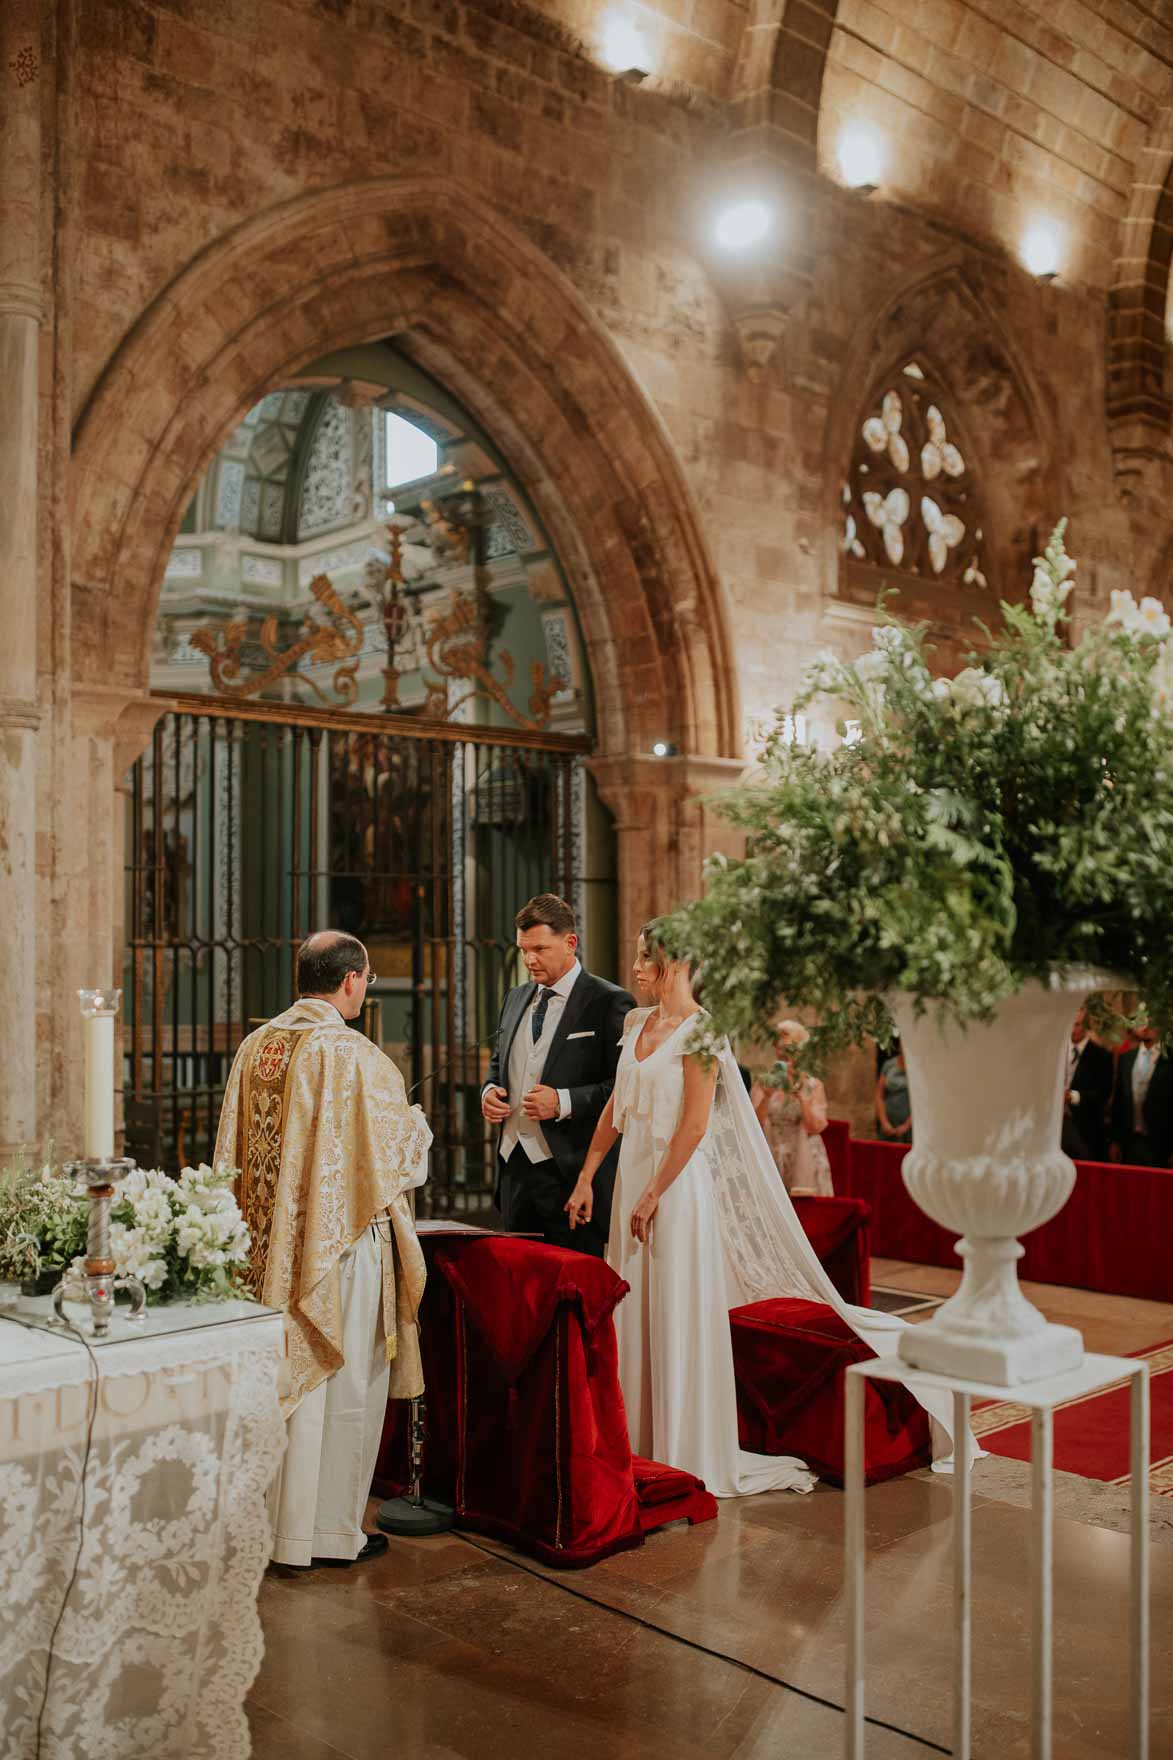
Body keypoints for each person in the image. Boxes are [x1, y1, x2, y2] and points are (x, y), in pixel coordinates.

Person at [562, 927, 969, 1498]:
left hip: (676, 1191)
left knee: (672, 1304)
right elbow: (614, 1106)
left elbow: (696, 1125)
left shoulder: (702, 1034)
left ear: (674, 962)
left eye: (643, 956)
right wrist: (587, 1176)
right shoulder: (637, 1025)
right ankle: (637, 1443)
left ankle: (683, 1446)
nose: (633, 967)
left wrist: (655, 1191)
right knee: (633, 1303)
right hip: (632, 1178)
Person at [213, 930, 432, 1570]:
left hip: (266, 1251)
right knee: (342, 1389)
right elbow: (397, 1165)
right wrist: (416, 1126)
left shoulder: (257, 1046)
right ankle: (329, 1535)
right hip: (336, 1251)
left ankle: (268, 1530)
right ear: (353, 980)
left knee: (281, 1385)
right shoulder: (351, 1054)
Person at [481, 893, 635, 1257]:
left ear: (570, 943)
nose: (529, 960)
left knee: (574, 1291)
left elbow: (624, 1088)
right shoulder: (515, 998)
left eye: (539, 948)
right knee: (521, 1289)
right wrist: (489, 1092)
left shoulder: (609, 1002)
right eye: (523, 949)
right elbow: (499, 1064)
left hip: (572, 1173)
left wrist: (563, 1101)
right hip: (514, 1171)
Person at [750, 1018, 834, 1193]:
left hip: (805, 1161)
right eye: (779, 1048)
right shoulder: (764, 1083)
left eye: (788, 1049)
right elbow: (753, 1125)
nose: (782, 1054)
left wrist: (803, 1099)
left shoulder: (813, 1085)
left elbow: (815, 1128)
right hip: (771, 1157)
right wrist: (767, 1096)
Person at [1110, 1018, 1173, 1168]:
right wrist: (1116, 1141)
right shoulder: (1127, 1058)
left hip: (1161, 1143)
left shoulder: (1170, 1059)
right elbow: (1119, 1102)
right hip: (1130, 1141)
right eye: (1143, 1021)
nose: (1147, 1027)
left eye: (1152, 1022)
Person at [1060, 1008, 1113, 1162]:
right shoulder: (1058, 1052)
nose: (1072, 1029)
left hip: (1085, 1129)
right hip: (1057, 1129)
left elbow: (1102, 1094)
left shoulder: (1102, 1056)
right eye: (1069, 1024)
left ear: (1086, 1025)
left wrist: (1072, 1096)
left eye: (1077, 1024)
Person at [876, 1043, 912, 1144]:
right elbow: (879, 1095)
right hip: (888, 1122)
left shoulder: (916, 1068)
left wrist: (906, 1126)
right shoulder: (889, 1065)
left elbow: (920, 1102)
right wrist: (883, 1122)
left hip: (907, 1125)